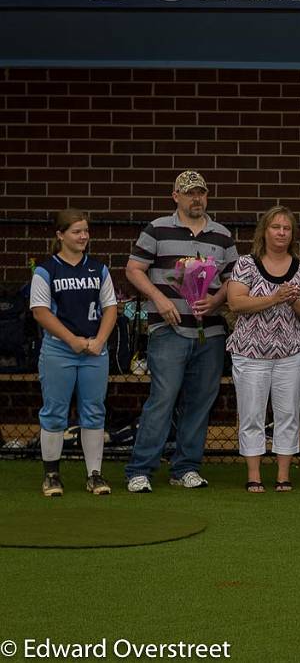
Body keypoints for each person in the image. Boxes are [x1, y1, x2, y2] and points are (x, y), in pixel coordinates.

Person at [124, 170, 238, 493]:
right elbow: (133, 269)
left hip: (211, 332)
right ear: (176, 196)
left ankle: (185, 467)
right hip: (168, 329)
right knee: (162, 398)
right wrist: (158, 298)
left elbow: (235, 278)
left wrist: (216, 301)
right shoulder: (157, 229)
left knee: (201, 401)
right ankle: (140, 469)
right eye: (189, 193)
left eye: (201, 193)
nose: (196, 198)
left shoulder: (222, 235)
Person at [226, 206, 300, 493]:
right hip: (250, 353)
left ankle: (283, 475)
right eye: (275, 227)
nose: (281, 232)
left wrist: (292, 301)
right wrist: (275, 297)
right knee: (252, 414)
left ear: (292, 234)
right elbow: (236, 303)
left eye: (286, 228)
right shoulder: (245, 264)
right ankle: (254, 475)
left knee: (288, 414)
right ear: (264, 231)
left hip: (290, 354)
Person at [30, 210, 118, 496]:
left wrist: (100, 340)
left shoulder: (98, 269)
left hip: (94, 350)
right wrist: (72, 340)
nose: (83, 236)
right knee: (55, 412)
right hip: (59, 350)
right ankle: (52, 475)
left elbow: (111, 308)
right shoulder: (46, 270)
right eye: (76, 231)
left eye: (86, 231)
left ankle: (94, 475)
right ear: (60, 235)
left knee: (94, 412)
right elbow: (40, 312)